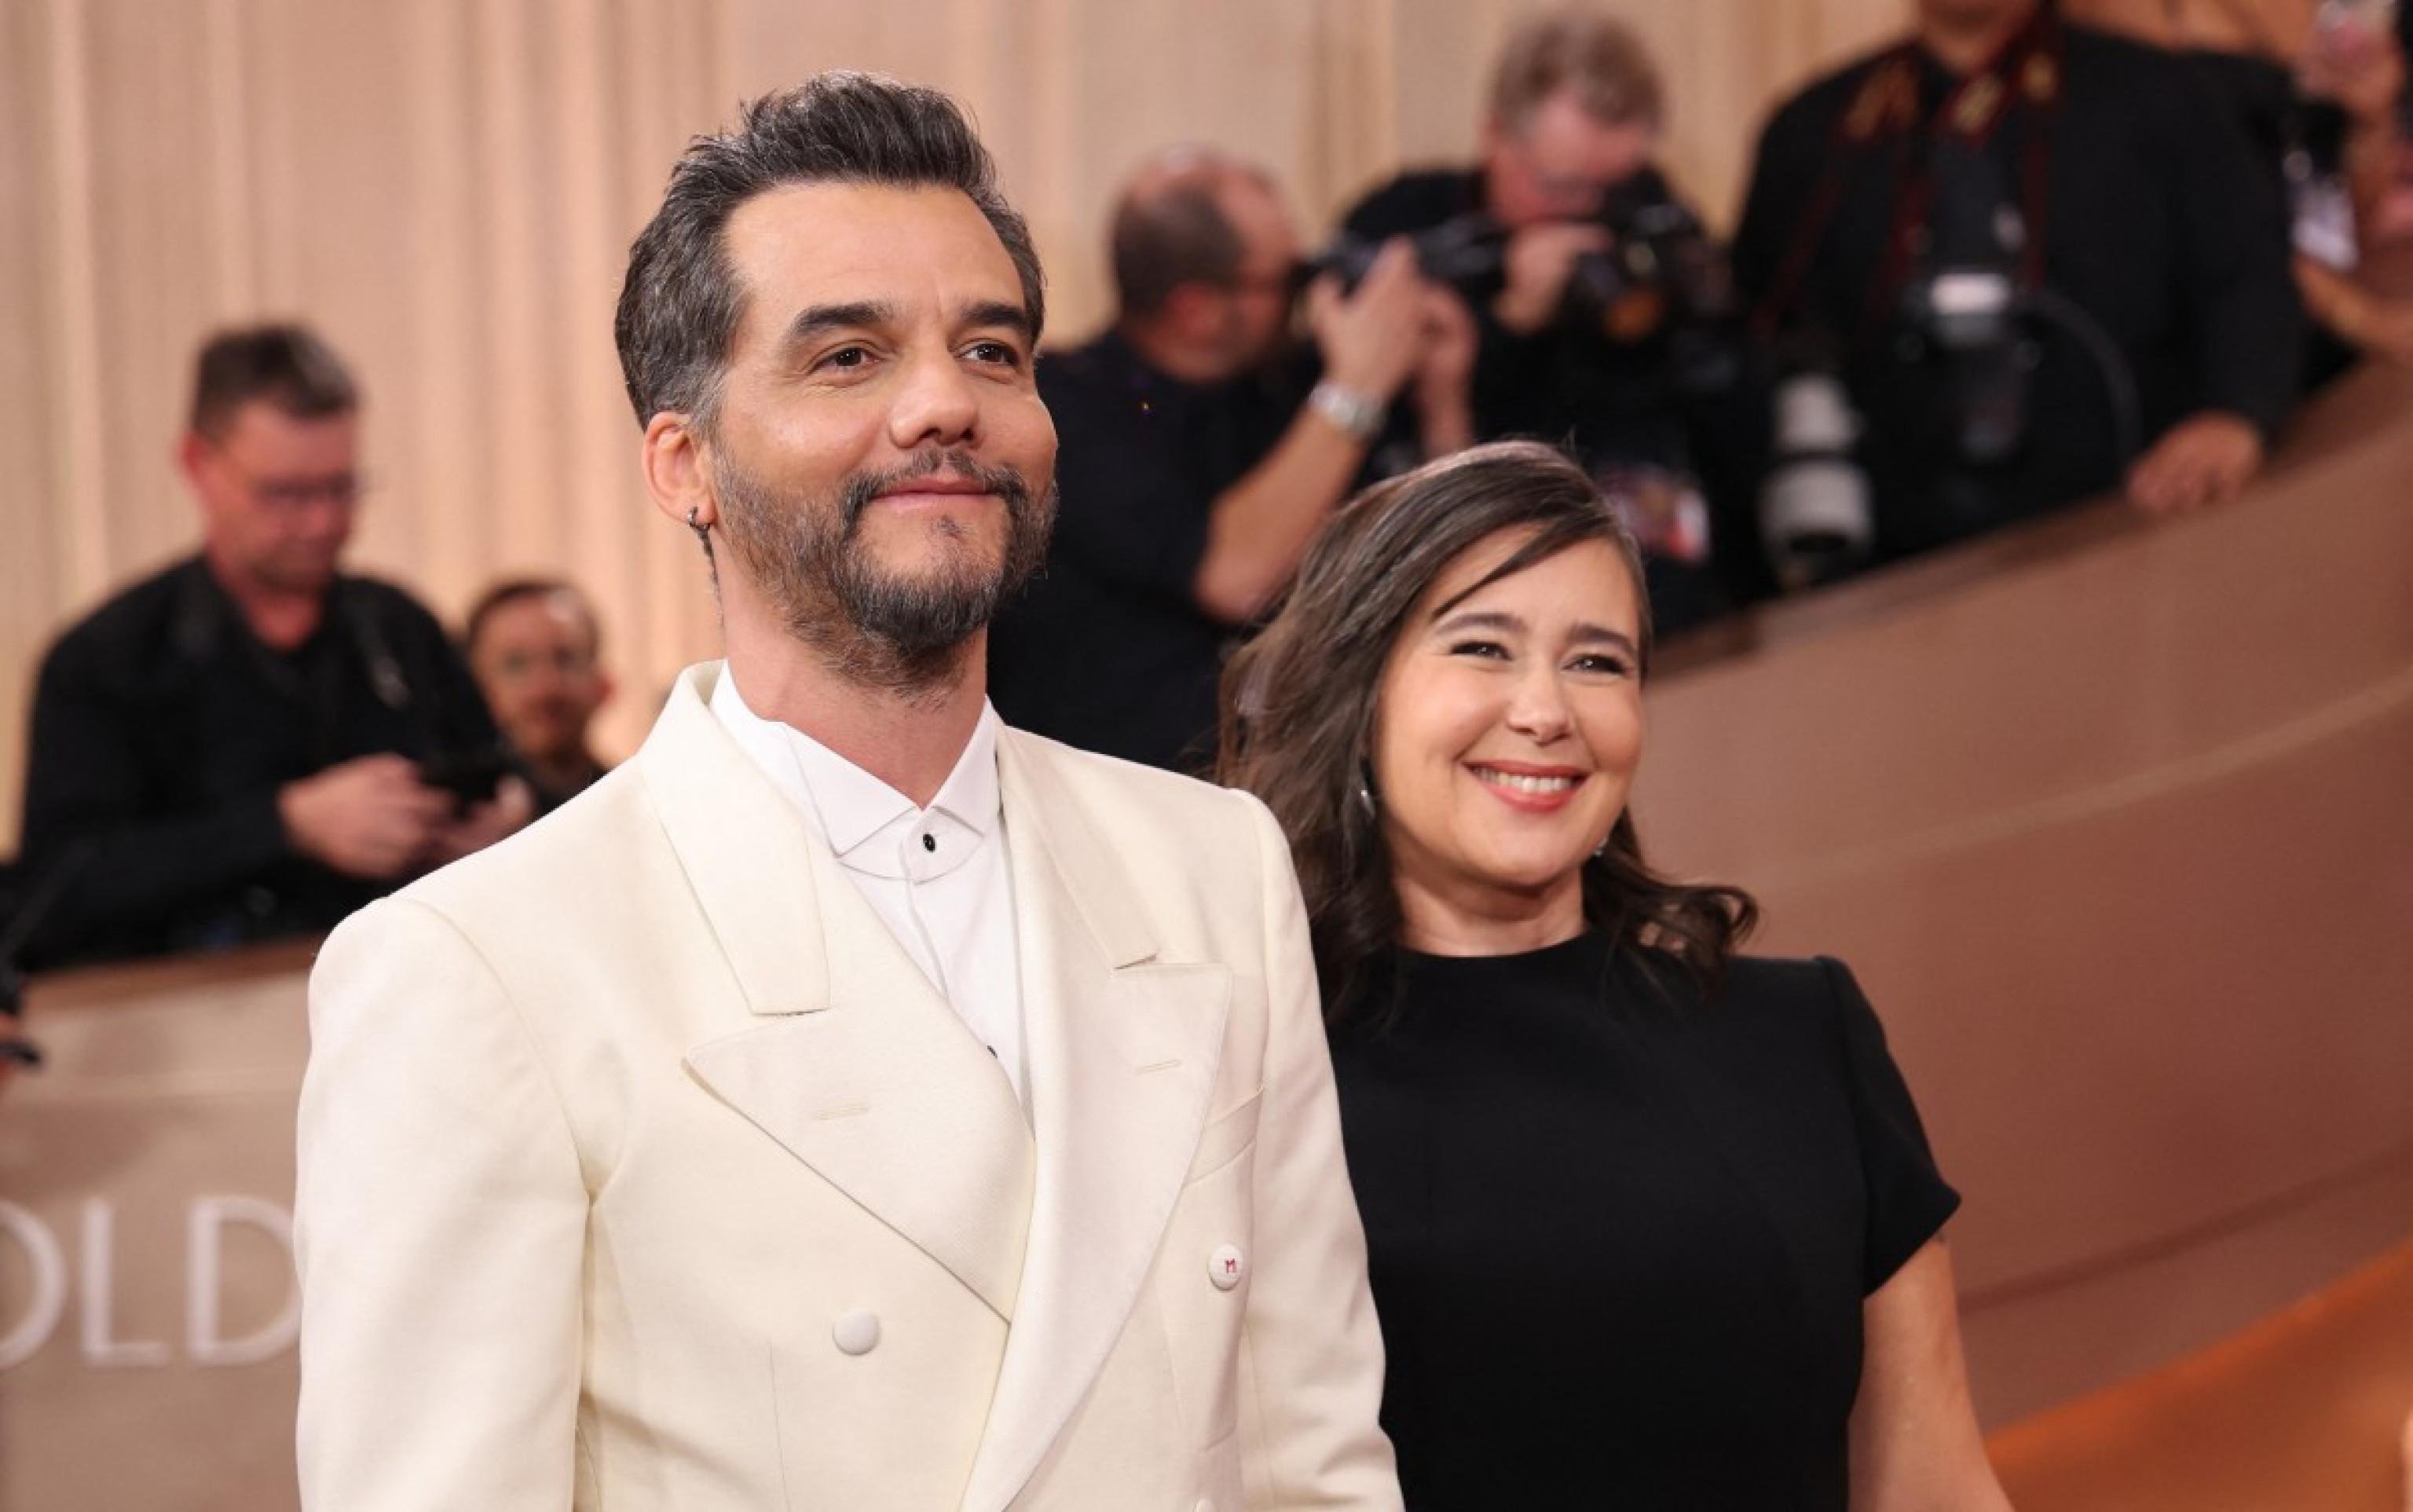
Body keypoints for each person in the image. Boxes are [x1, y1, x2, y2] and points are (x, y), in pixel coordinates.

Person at [294, 74, 1401, 1511]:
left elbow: (1308, 1460)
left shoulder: (1213, 869)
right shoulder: (473, 967)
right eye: (848, 358)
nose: (943, 403)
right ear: (683, 466)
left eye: (992, 349)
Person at [1219, 441, 2010, 1508]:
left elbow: (1933, 1484)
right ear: (1360, 696)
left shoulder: (1802, 1034)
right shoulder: (1259, 1081)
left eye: (1598, 661)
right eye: (1484, 649)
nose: (1547, 710)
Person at [1733, 0, 2305, 590]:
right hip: (1898, 575)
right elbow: (1757, 331)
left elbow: (2248, 273)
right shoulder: (1818, 132)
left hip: (2135, 532)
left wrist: (2237, 414)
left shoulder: (2156, 94)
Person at [14, 324, 525, 967]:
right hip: (182, 1038)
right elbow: (58, 888)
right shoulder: (106, 661)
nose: (322, 522)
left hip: (409, 1004)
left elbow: (507, 775)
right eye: (285, 494)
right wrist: (286, 825)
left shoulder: (400, 627)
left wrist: (509, 816)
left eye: (341, 487)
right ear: (198, 465)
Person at [987, 146, 1473, 773]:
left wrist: (1441, 398)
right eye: (1286, 279)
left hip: (1296, 789)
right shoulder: (1060, 408)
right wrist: (1359, 386)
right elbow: (1235, 576)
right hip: (1117, 798)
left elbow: (1450, 556)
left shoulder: (1295, 393)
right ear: (1196, 309)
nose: (1309, 295)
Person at [1338, 8, 1745, 634]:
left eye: (1609, 189)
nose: (1584, 215)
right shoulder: (1407, 229)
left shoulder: (1652, 223)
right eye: (1560, 188)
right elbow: (1376, 472)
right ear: (1496, 134)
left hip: (1659, 608)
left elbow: (1717, 404)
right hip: (1474, 598)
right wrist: (1510, 324)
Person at [463, 577, 613, 812]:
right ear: (476, 685)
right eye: (516, 666)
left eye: (566, 660)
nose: (544, 689)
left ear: (603, 684)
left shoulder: (642, 805)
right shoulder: (443, 826)